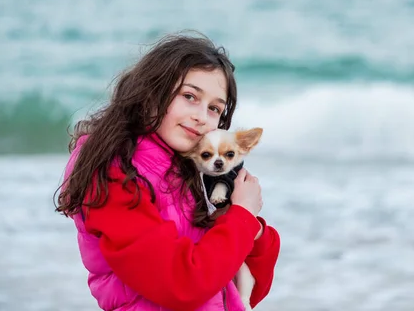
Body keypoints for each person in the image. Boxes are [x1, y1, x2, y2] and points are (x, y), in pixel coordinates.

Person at [55, 32, 280, 311]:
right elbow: (182, 285)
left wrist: (254, 231)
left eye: (214, 108)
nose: (201, 116)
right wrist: (242, 217)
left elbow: (236, 290)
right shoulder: (116, 171)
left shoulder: (189, 169)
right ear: (151, 92)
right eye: (189, 96)